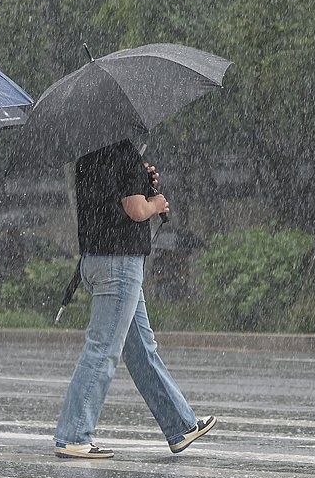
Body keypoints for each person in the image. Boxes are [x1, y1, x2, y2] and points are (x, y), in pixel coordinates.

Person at [52, 139, 216, 459]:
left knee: (141, 350)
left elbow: (111, 197)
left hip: (96, 259)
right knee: (102, 349)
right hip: (120, 263)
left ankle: (179, 424)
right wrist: (156, 204)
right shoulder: (123, 151)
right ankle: (73, 435)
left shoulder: (89, 154)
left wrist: (141, 179)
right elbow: (136, 209)